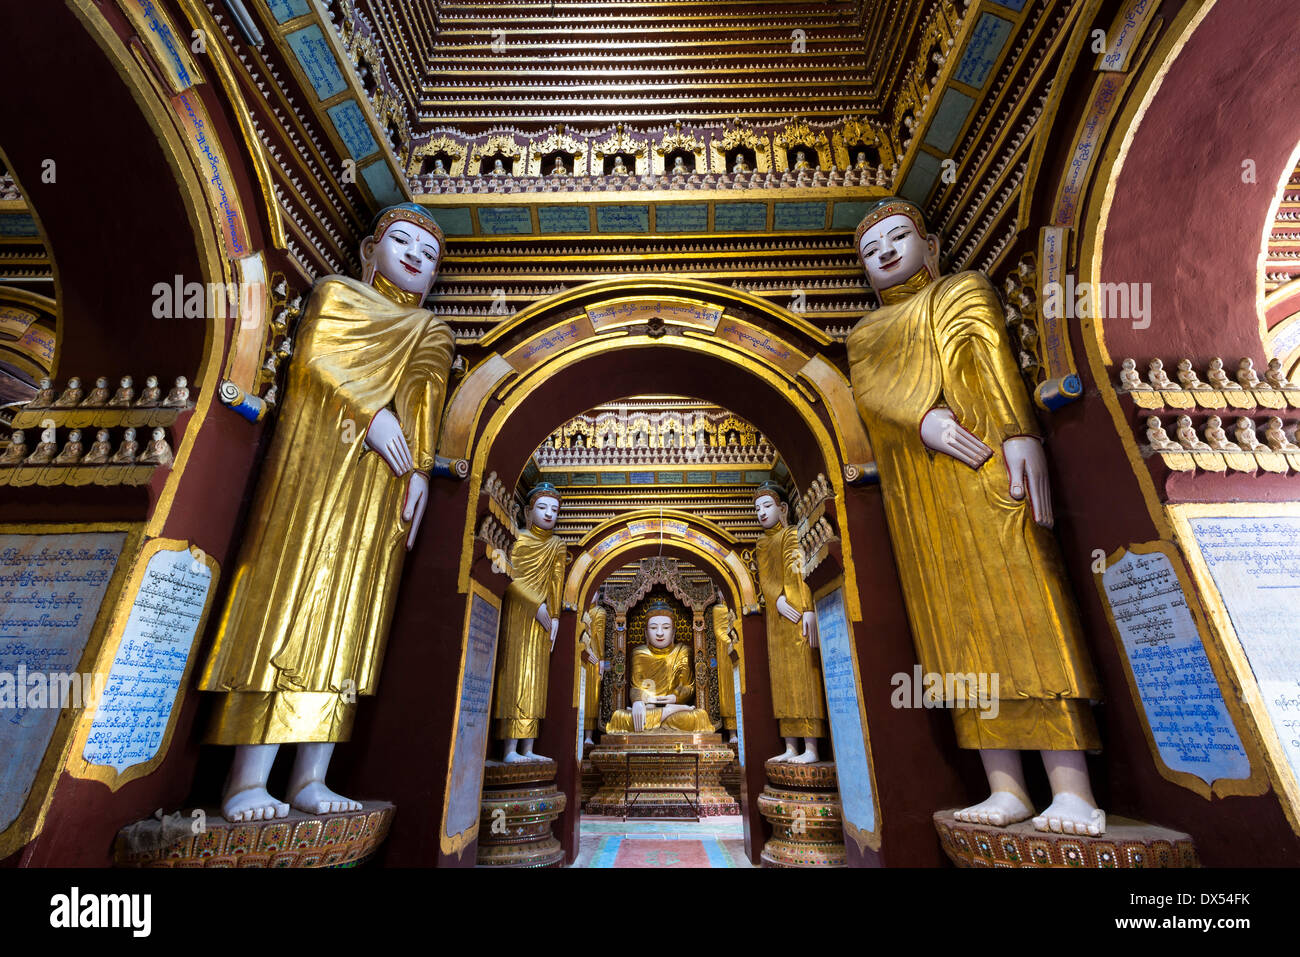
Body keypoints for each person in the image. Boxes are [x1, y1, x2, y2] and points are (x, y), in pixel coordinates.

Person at [847, 197, 1105, 835]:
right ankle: (1006, 786)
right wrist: (923, 418)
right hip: (925, 495)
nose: (885, 251)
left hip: (987, 469)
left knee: (1027, 606)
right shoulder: (866, 336)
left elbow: (990, 361)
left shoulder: (961, 290)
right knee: (955, 628)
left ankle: (1072, 789)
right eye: (870, 247)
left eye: (899, 236)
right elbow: (875, 398)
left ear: (930, 246)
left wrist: (1021, 434)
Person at [197, 203, 454, 822]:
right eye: (402, 240)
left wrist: (418, 472)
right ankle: (246, 780)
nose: (416, 254)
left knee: (352, 617)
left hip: (379, 488)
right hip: (316, 475)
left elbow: (425, 405)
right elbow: (311, 364)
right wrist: (369, 411)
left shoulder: (431, 332)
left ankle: (312, 776)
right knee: (286, 603)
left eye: (429, 251)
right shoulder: (338, 295)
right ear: (370, 248)